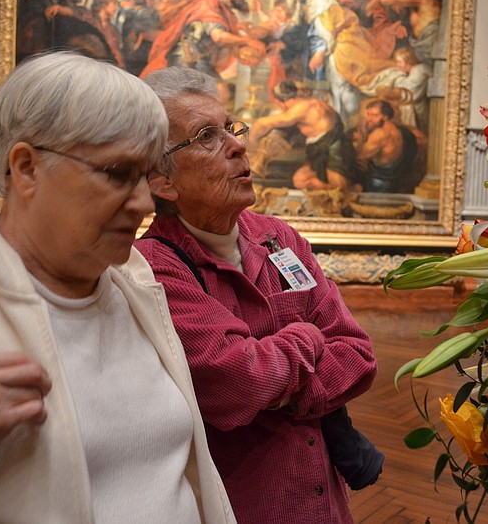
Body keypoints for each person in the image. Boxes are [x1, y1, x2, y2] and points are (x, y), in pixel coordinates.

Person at [0, 52, 234, 523]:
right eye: (117, 174)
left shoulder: (134, 280)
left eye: (147, 176)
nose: (144, 202)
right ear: (26, 168)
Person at [135, 66, 383, 524]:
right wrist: (309, 338)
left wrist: (277, 387)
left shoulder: (278, 238)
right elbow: (240, 383)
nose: (239, 145)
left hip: (325, 505)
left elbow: (358, 354)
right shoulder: (152, 266)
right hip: (247, 506)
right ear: (161, 180)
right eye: (207, 136)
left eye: (231, 128)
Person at [250, 80, 355, 190]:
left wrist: (252, 146)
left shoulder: (300, 108)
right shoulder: (311, 103)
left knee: (340, 186)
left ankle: (342, 191)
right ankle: (326, 193)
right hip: (320, 149)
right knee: (300, 180)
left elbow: (262, 122)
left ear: (278, 102)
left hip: (333, 149)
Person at [354, 99, 420, 193]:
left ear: (385, 117)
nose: (369, 119)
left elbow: (358, 155)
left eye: (374, 115)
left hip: (379, 184)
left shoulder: (380, 134)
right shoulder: (401, 131)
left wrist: (362, 134)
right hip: (396, 181)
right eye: (368, 114)